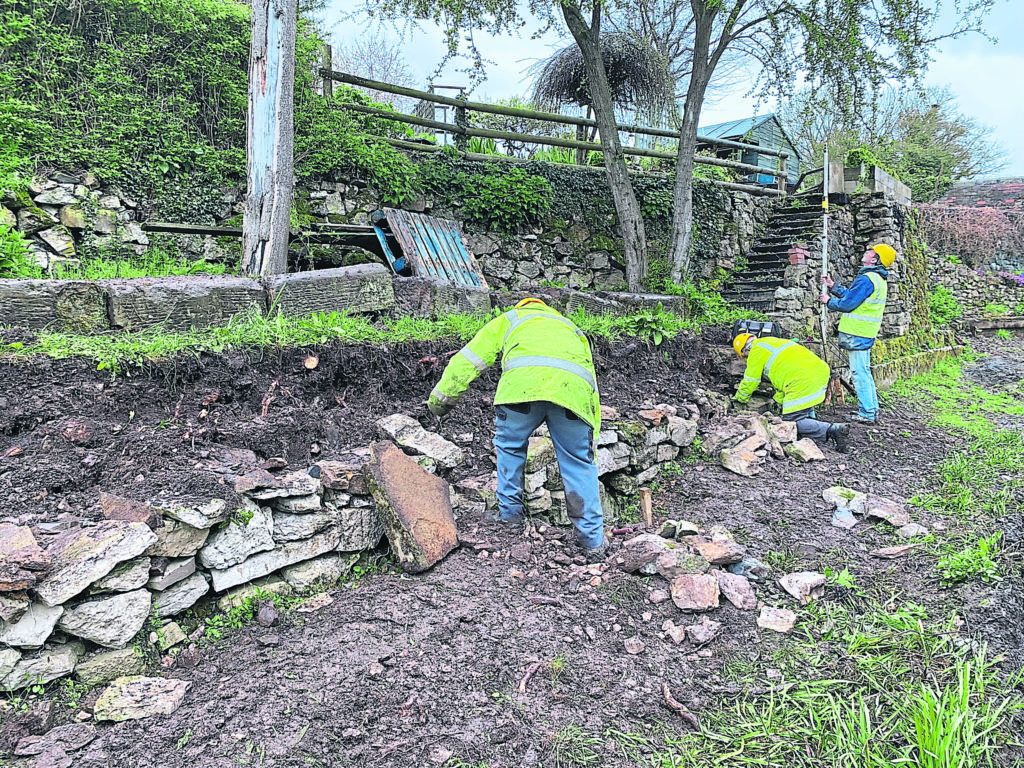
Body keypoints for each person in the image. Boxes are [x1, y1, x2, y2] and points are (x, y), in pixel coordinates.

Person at [427, 298, 606, 560]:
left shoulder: (510, 319)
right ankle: (591, 542)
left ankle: (509, 517)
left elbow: (467, 361)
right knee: (579, 465)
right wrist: (593, 434)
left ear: (522, 306)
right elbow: (590, 383)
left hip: (520, 392)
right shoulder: (570, 328)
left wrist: (439, 403)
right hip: (572, 397)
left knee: (510, 449)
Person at [731, 333, 850, 453]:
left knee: (791, 422)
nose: (747, 360)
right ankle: (811, 422)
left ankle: (832, 429)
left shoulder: (756, 351)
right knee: (802, 404)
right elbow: (783, 378)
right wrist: (777, 400)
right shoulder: (772, 341)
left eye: (745, 357)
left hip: (802, 379)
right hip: (819, 371)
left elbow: (751, 380)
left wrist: (740, 399)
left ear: (746, 350)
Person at [819, 242, 895, 425]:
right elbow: (852, 296)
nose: (867, 252)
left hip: (857, 334)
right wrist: (833, 286)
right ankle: (872, 409)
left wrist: (828, 301)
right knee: (865, 371)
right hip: (865, 333)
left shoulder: (867, 279)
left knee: (859, 372)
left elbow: (848, 304)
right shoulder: (876, 279)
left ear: (874, 259)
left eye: (871, 251)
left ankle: (867, 413)